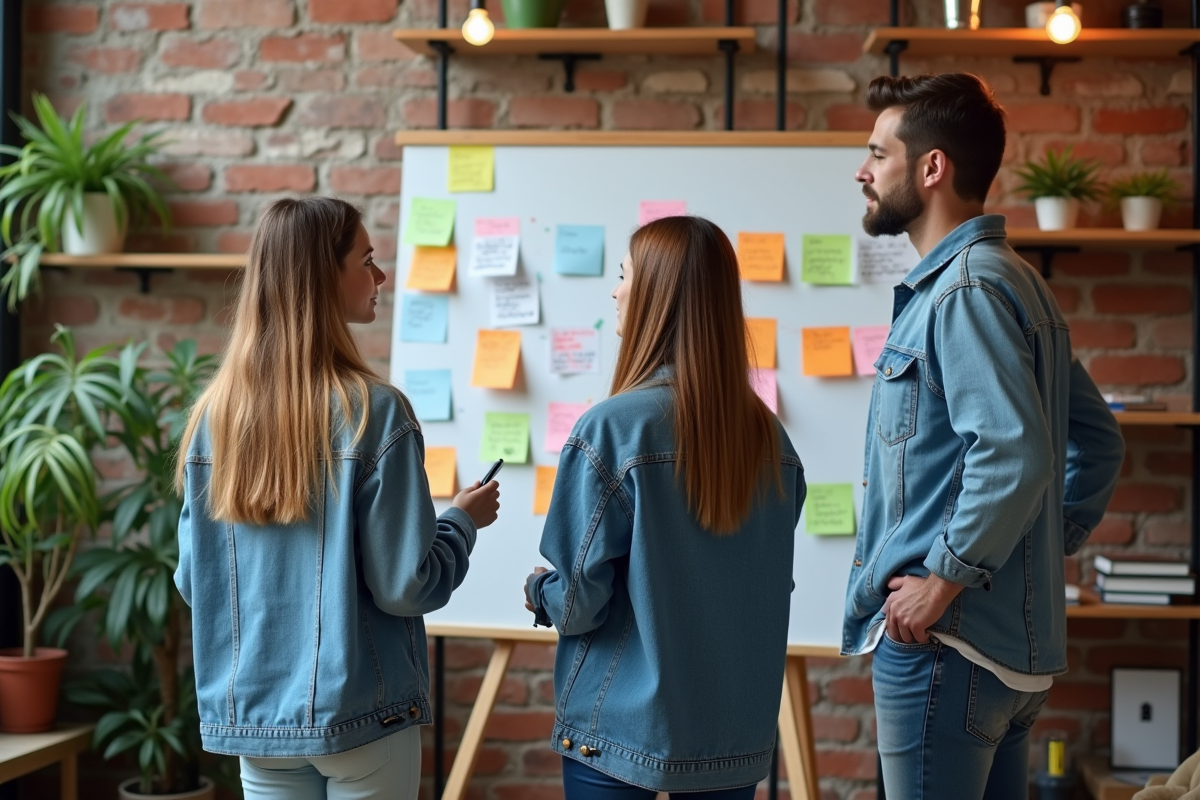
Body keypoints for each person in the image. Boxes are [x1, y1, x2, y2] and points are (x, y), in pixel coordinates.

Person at [845, 73, 1125, 800]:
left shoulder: (964, 290)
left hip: (945, 647)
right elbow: (1096, 441)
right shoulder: (1017, 282)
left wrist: (941, 581)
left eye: (878, 153)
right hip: (1004, 658)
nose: (862, 170)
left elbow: (1015, 451)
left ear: (932, 167)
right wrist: (1036, 539)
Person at [174, 197, 500, 800]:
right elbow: (405, 585)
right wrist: (461, 522)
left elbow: (197, 582)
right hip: (364, 717)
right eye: (368, 260)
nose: (380, 277)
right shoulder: (376, 413)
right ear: (324, 276)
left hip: (259, 721)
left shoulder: (213, 420)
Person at [523, 216, 807, 799]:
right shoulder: (772, 439)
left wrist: (538, 591)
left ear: (656, 293)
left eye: (623, 274)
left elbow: (577, 605)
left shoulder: (611, 429)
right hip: (733, 738)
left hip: (620, 733)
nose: (615, 289)